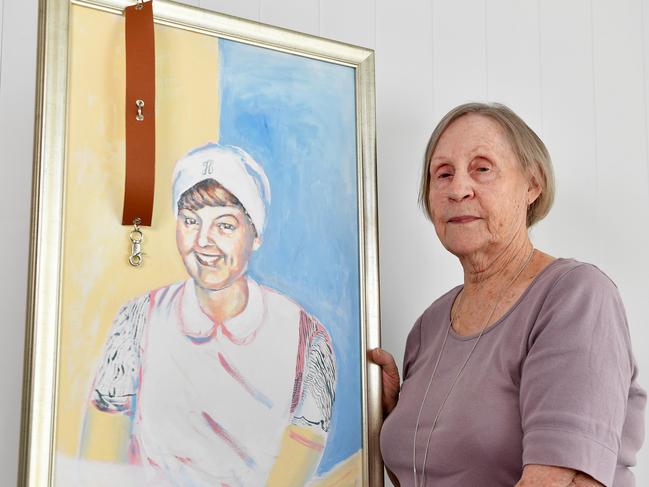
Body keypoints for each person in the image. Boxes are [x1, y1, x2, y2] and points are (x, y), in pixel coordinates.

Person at [373, 103, 646, 487]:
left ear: (532, 184)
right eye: (442, 174)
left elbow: (560, 481)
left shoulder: (575, 296)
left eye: (482, 168)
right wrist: (391, 415)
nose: (458, 189)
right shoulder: (428, 326)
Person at [83, 143, 336, 487]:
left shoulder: (306, 341)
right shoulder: (137, 321)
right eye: (190, 221)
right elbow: (101, 465)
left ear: (256, 234)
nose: (204, 241)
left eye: (225, 225)